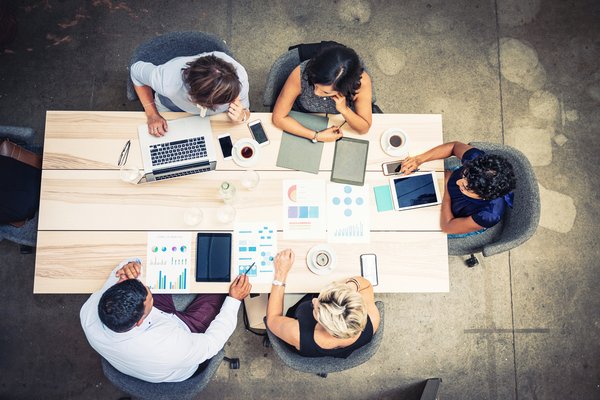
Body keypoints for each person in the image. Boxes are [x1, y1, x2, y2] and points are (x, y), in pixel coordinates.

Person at [80, 258, 251, 383]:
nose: (149, 289)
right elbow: (212, 343)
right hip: (177, 346)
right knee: (222, 286)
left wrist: (132, 265)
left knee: (160, 267)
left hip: (147, 339)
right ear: (139, 321)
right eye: (150, 298)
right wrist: (234, 300)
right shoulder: (170, 347)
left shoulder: (90, 310)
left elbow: (120, 271)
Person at [266, 249, 380, 358]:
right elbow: (366, 285)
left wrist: (280, 274)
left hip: (299, 335)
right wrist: (347, 289)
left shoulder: (298, 335)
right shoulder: (373, 320)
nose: (314, 300)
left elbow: (272, 319)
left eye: (317, 310)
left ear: (326, 326)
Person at [400, 141, 516, 236]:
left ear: (484, 197)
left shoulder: (488, 215)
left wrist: (446, 190)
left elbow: (447, 226)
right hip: (445, 183)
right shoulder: (477, 162)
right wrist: (419, 160)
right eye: (464, 174)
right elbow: (454, 146)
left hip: (454, 218)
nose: (457, 181)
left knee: (413, 227)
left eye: (466, 186)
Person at [131, 52, 251, 137]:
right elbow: (135, 71)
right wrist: (152, 114)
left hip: (215, 120)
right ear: (195, 100)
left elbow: (245, 110)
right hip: (171, 108)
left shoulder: (239, 78)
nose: (236, 99)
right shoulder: (167, 81)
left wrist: (242, 116)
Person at [272, 44, 373, 142]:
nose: (316, 92)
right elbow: (278, 118)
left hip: (341, 123)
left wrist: (345, 110)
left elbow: (363, 129)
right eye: (315, 85)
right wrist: (316, 136)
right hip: (303, 118)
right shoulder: (301, 73)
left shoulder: (361, 83)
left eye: (325, 92)